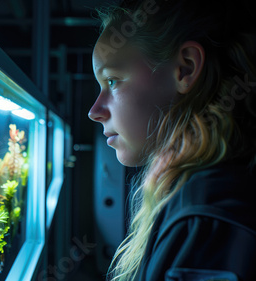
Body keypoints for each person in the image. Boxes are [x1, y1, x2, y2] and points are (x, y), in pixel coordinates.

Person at [88, 0, 256, 280]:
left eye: (113, 80)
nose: (94, 111)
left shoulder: (205, 219)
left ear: (186, 68)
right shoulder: (199, 201)